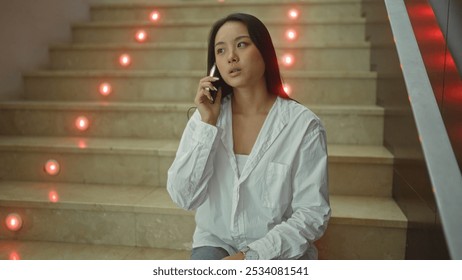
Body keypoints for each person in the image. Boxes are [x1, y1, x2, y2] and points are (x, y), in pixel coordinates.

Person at [167, 13, 330, 260]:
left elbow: (312, 213)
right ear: (214, 66)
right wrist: (208, 125)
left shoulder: (303, 126)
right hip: (216, 242)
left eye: (241, 44)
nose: (231, 56)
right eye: (220, 51)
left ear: (264, 51)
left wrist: (249, 258)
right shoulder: (205, 120)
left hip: (276, 251)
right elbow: (184, 197)